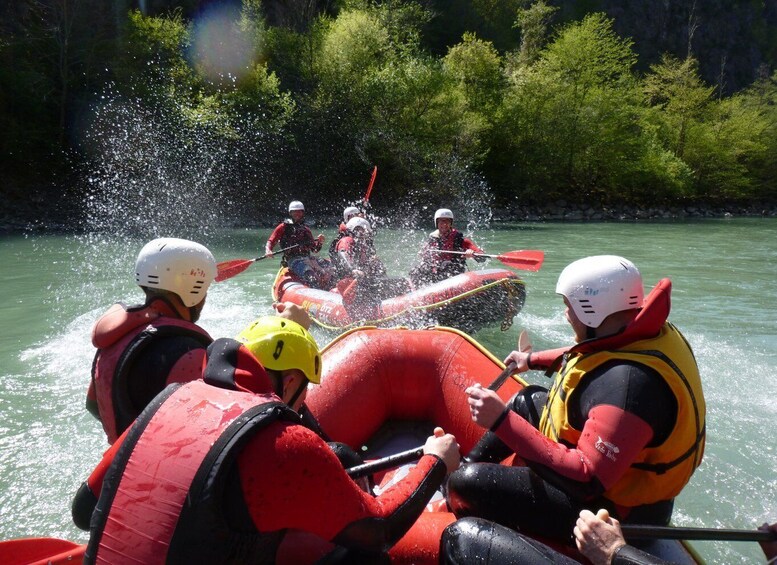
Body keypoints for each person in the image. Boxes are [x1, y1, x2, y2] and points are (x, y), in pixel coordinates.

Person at [72, 315, 461, 564]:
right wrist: (435, 460)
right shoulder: (282, 442)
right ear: (291, 382)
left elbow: (84, 511)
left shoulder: (167, 400)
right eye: (306, 386)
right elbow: (378, 530)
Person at [444, 255, 706, 548]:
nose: (566, 313)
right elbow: (596, 349)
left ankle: (455, 483)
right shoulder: (640, 331)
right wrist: (530, 360)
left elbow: (587, 480)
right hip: (611, 474)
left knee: (466, 484)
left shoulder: (629, 386)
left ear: (591, 311)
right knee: (527, 399)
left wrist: (500, 421)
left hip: (614, 511)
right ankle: (460, 463)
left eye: (569, 306)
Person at [85, 237, 217, 444]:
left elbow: (93, 405)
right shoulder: (190, 352)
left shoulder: (118, 333)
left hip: (118, 461)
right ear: (194, 290)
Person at [409, 208, 486, 286]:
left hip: (455, 273)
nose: (444, 224)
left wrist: (472, 254)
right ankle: (417, 291)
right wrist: (424, 254)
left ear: (451, 223)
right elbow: (426, 259)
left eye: (447, 221)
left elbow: (482, 257)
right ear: (437, 223)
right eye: (441, 221)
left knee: (446, 264)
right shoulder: (432, 240)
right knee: (418, 269)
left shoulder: (460, 240)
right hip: (437, 273)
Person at [265, 200, 331, 288]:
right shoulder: (283, 227)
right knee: (310, 275)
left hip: (307, 258)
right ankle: (316, 292)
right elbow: (271, 241)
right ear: (290, 213)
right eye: (294, 212)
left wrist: (320, 242)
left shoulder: (305, 229)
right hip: (293, 259)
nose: (297, 214)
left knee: (330, 267)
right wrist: (268, 250)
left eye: (299, 211)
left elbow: (314, 249)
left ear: (303, 213)